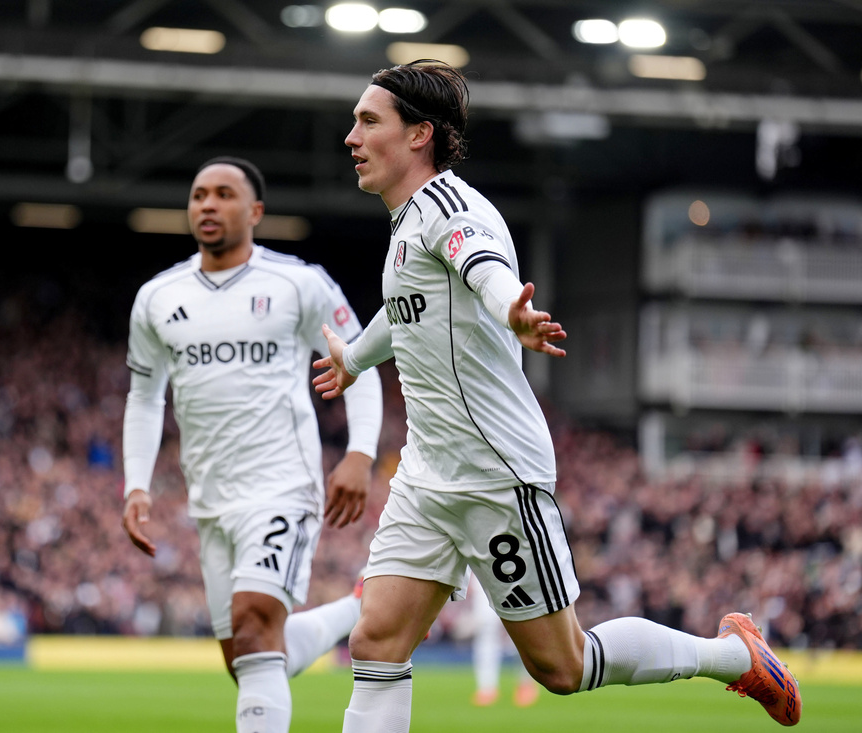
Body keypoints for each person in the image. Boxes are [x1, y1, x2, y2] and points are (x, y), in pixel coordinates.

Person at [312, 60, 801, 730]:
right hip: (427, 477)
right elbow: (402, 311)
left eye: (368, 121)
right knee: (375, 642)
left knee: (563, 666)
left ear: (420, 134)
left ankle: (732, 654)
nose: (352, 136)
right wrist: (355, 360)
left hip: (494, 475)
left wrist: (512, 308)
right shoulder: (406, 225)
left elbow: (483, 270)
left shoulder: (454, 212)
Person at [121, 156, 383, 733]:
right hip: (210, 500)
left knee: (254, 623)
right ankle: (359, 610)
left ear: (256, 211)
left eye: (223, 194)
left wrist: (359, 454)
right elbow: (145, 398)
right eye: (198, 195)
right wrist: (136, 485)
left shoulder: (298, 283)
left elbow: (359, 361)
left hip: (282, 484)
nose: (207, 205)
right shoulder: (158, 298)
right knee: (251, 657)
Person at [468, 575, 539, 708]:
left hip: (517, 570)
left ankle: (526, 683)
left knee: (522, 627)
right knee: (486, 629)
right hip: (482, 568)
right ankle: (486, 688)